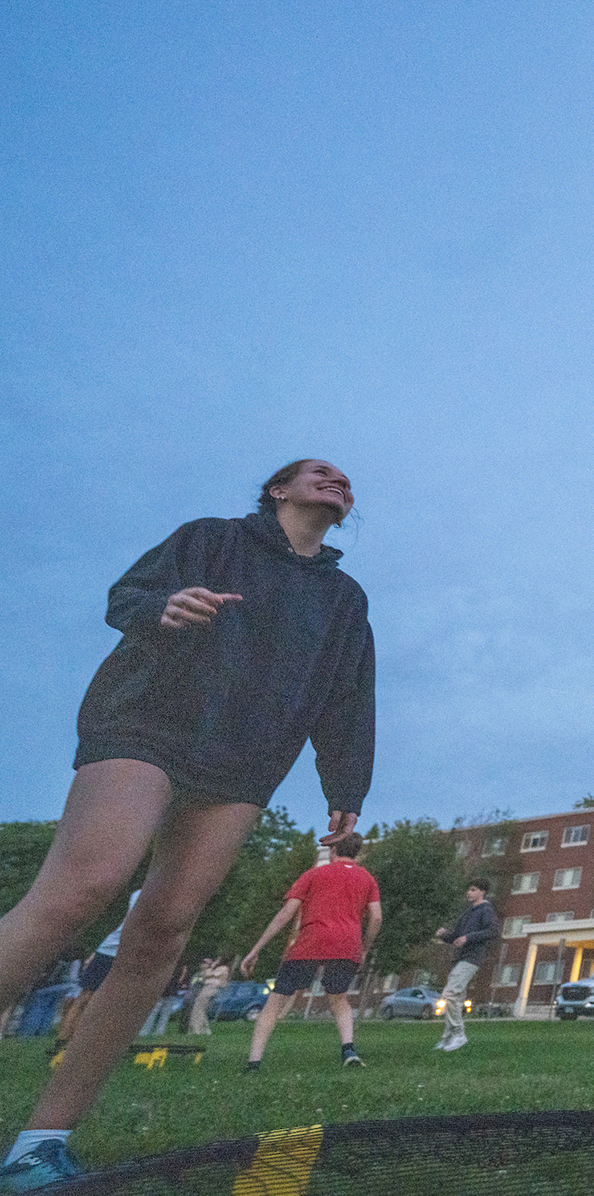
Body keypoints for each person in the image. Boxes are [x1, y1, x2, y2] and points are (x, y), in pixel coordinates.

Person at [0, 460, 374, 1193]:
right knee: (86, 887)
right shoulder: (211, 539)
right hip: (149, 720)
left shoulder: (343, 599)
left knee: (165, 929)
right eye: (317, 473)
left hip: (242, 756)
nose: (336, 482)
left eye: (344, 481)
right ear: (277, 490)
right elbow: (127, 596)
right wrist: (164, 607)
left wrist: (345, 786)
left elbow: (348, 695)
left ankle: (39, 1144)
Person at [240, 831, 381, 1070]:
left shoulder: (313, 874)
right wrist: (364, 947)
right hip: (346, 943)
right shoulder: (367, 879)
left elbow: (286, 914)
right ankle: (349, 1051)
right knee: (339, 998)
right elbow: (376, 917)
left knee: (275, 1002)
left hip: (311, 941)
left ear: (333, 851)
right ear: (357, 852)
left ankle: (254, 1062)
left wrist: (256, 949)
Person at [52, 891, 139, 1049]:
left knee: (118, 1002)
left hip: (130, 955)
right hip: (110, 951)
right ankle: (62, 1041)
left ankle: (100, 1042)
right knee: (86, 997)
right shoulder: (139, 895)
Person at [431, 879, 499, 1053]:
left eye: (473, 889)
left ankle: (459, 1034)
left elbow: (492, 931)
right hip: (460, 958)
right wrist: (444, 935)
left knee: (451, 994)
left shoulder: (486, 910)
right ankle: (448, 1038)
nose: (469, 893)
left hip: (472, 958)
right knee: (453, 997)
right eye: (468, 890)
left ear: (482, 892)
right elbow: (456, 936)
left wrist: (468, 938)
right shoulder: (468, 912)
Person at [186, 958, 229, 1036]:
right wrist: (211, 969)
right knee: (199, 1009)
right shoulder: (211, 969)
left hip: (212, 988)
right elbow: (205, 975)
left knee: (199, 1008)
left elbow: (213, 975)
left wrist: (212, 967)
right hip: (206, 988)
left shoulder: (224, 968)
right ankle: (204, 1029)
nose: (215, 962)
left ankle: (197, 1030)